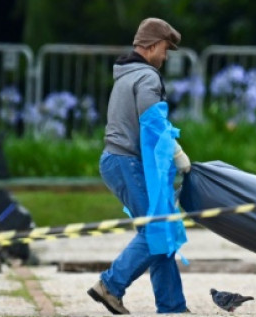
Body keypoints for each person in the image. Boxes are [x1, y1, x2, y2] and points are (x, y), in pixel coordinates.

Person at [88, 18, 192, 315]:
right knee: (156, 229)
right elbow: (153, 124)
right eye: (166, 49)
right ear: (153, 45)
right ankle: (111, 285)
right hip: (126, 162)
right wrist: (177, 153)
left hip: (115, 162)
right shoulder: (146, 77)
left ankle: (173, 307)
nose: (166, 56)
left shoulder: (126, 75)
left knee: (159, 231)